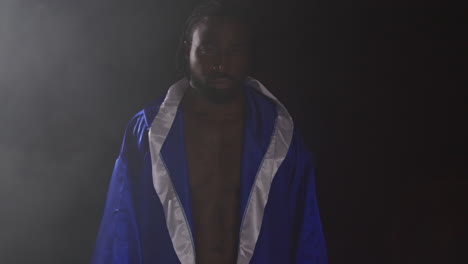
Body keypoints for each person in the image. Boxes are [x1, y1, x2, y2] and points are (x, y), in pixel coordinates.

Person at [91, 1, 327, 263]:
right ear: (187, 49)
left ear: (248, 54)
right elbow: (119, 230)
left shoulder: (280, 135)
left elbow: (306, 236)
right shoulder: (147, 131)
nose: (221, 63)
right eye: (208, 48)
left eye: (235, 50)